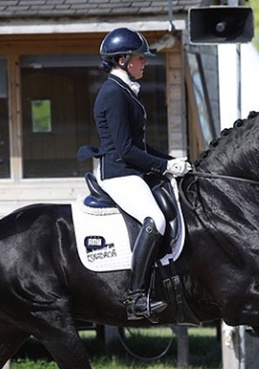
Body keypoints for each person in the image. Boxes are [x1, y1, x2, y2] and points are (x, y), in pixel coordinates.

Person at [80, 27, 192, 322]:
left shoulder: (124, 91)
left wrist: (174, 161)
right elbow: (127, 150)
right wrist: (166, 168)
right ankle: (135, 298)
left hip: (133, 171)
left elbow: (141, 146)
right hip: (120, 174)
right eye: (140, 58)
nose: (145, 62)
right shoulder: (113, 94)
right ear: (123, 61)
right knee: (154, 220)